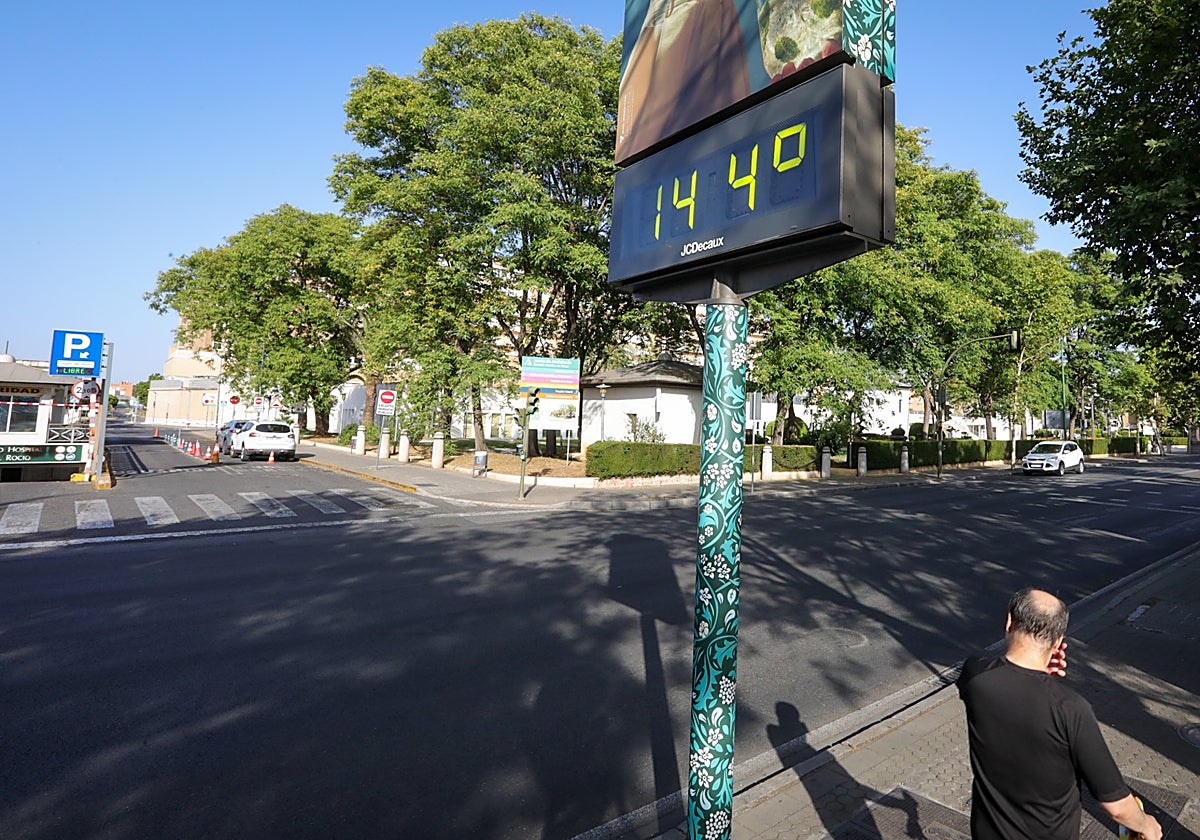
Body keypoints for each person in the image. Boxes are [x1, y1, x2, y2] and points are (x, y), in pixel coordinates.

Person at [957, 588, 1162, 840]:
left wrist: (1037, 676)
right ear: (1057, 642)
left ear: (1009, 622)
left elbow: (1003, 675)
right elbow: (1118, 807)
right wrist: (1147, 825)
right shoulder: (1071, 709)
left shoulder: (975, 674)